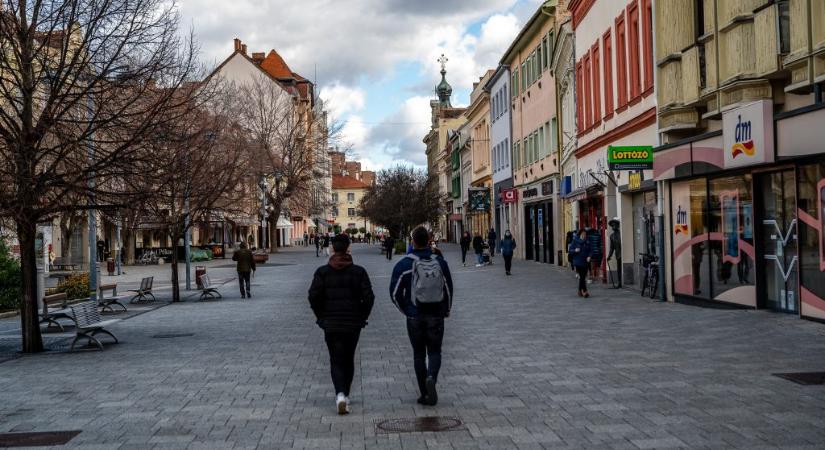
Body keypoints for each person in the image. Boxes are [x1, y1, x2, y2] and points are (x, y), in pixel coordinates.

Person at [308, 234, 375, 415]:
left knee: (336, 359)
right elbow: (369, 297)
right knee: (349, 358)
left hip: (331, 323)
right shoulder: (359, 272)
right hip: (353, 323)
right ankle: (346, 393)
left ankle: (339, 394)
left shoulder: (322, 272)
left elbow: (313, 296)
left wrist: (321, 316)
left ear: (332, 248)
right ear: (348, 248)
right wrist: (362, 316)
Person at [390, 226, 453, 406]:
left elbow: (394, 293)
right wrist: (446, 309)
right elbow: (448, 288)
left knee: (418, 355)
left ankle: (424, 393)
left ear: (413, 242)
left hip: (415, 317)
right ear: (429, 240)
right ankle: (432, 376)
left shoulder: (403, 264)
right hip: (436, 315)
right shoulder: (439, 262)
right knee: (434, 351)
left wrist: (407, 311)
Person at [569, 229, 592, 297]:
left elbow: (591, 250)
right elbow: (570, 250)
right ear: (580, 234)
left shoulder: (587, 241)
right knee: (582, 276)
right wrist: (575, 250)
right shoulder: (575, 241)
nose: (584, 236)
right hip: (577, 261)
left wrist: (589, 256)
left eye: (585, 234)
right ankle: (585, 291)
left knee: (583, 277)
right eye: (583, 234)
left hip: (585, 261)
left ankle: (579, 291)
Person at [607, 218, 622, 287]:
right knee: (619, 269)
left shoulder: (621, 234)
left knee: (620, 268)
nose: (613, 227)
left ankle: (621, 282)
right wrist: (609, 256)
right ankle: (619, 282)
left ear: (618, 226)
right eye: (612, 226)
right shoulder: (612, 236)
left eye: (615, 225)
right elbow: (611, 248)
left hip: (623, 254)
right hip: (618, 254)